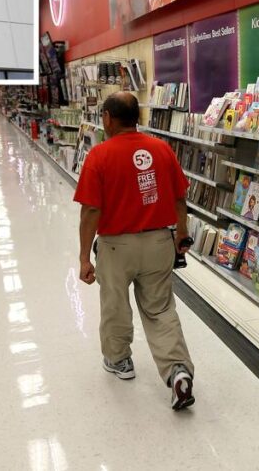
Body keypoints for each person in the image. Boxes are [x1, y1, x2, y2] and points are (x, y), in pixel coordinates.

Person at [73, 92, 196, 410]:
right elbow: (180, 197)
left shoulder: (99, 155)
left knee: (115, 304)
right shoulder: (161, 149)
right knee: (160, 309)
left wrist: (84, 257)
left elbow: (90, 211)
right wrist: (181, 234)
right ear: (137, 118)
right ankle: (177, 370)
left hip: (116, 246)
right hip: (159, 242)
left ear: (107, 118)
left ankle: (120, 361)